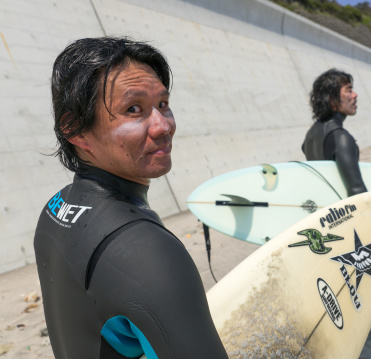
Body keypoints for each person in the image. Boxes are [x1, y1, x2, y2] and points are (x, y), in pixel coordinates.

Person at [34, 37, 228, 359]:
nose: (163, 125)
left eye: (163, 104)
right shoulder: (144, 251)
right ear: (75, 130)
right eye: (133, 109)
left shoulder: (56, 208)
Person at [302, 68, 367, 197]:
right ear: (332, 99)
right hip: (343, 211)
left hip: (326, 209)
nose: (355, 95)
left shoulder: (310, 135)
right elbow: (356, 190)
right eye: (349, 90)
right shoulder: (341, 137)